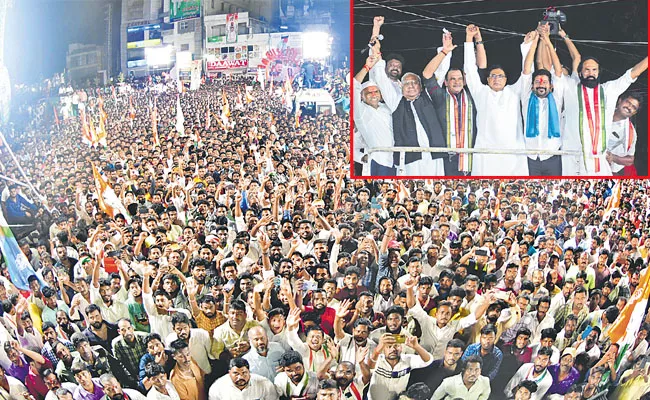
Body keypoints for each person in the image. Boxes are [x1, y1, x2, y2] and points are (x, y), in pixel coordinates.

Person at [562, 45, 647, 174]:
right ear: (580, 73)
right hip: (573, 159)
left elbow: (632, 73)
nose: (591, 73)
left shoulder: (609, 90)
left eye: (594, 70)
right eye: (587, 70)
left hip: (599, 161)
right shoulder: (571, 89)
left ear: (599, 72)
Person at [463, 25, 536, 175]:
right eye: (493, 76)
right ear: (488, 80)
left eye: (500, 76)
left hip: (513, 153)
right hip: (486, 153)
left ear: (506, 79)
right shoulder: (481, 92)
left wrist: (528, 45)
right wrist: (470, 39)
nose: (496, 79)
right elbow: (470, 68)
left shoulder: (514, 92)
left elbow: (527, 72)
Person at [369, 42, 447, 176]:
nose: (410, 86)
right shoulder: (396, 101)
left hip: (434, 156)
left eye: (414, 82)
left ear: (420, 86)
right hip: (409, 159)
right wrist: (376, 53)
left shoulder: (428, 97)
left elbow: (441, 71)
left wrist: (446, 51)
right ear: (401, 87)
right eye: (406, 83)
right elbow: (381, 78)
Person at [421, 31, 478, 176]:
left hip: (472, 156)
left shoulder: (474, 96)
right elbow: (427, 75)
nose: (457, 82)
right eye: (452, 79)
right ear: (446, 82)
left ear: (465, 81)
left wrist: (471, 39)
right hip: (447, 158)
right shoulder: (440, 96)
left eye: (460, 78)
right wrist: (444, 51)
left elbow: (475, 67)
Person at [519, 24, 566, 176]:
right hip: (530, 158)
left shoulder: (556, 98)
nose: (541, 84)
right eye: (538, 82)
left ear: (551, 86)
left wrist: (546, 40)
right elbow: (526, 69)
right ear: (532, 86)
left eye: (545, 82)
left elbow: (558, 70)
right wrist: (535, 42)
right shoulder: (526, 98)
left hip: (553, 158)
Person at [366, 333, 432, 400]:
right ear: (383, 349)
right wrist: (377, 351)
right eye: (389, 346)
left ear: (401, 347)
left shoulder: (407, 359)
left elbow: (427, 361)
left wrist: (416, 346)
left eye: (396, 346)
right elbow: (369, 367)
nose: (393, 349)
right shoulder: (378, 359)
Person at [606, 91, 644, 175]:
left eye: (634, 107)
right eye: (628, 102)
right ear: (620, 101)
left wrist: (612, 157)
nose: (629, 107)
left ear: (634, 113)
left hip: (608, 169)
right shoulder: (602, 113)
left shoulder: (630, 132)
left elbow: (630, 160)